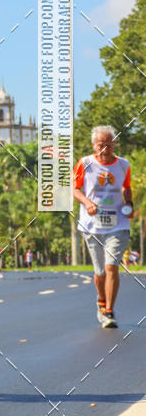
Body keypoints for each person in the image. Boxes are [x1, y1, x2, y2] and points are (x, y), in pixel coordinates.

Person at [73, 125, 133, 329]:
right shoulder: (85, 164)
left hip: (118, 224)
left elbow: (126, 188)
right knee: (99, 272)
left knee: (111, 266)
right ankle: (101, 300)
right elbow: (75, 189)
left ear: (114, 144)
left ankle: (109, 311)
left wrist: (129, 204)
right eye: (101, 145)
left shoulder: (123, 165)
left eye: (109, 144)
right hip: (92, 225)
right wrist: (87, 203)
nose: (105, 149)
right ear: (93, 145)